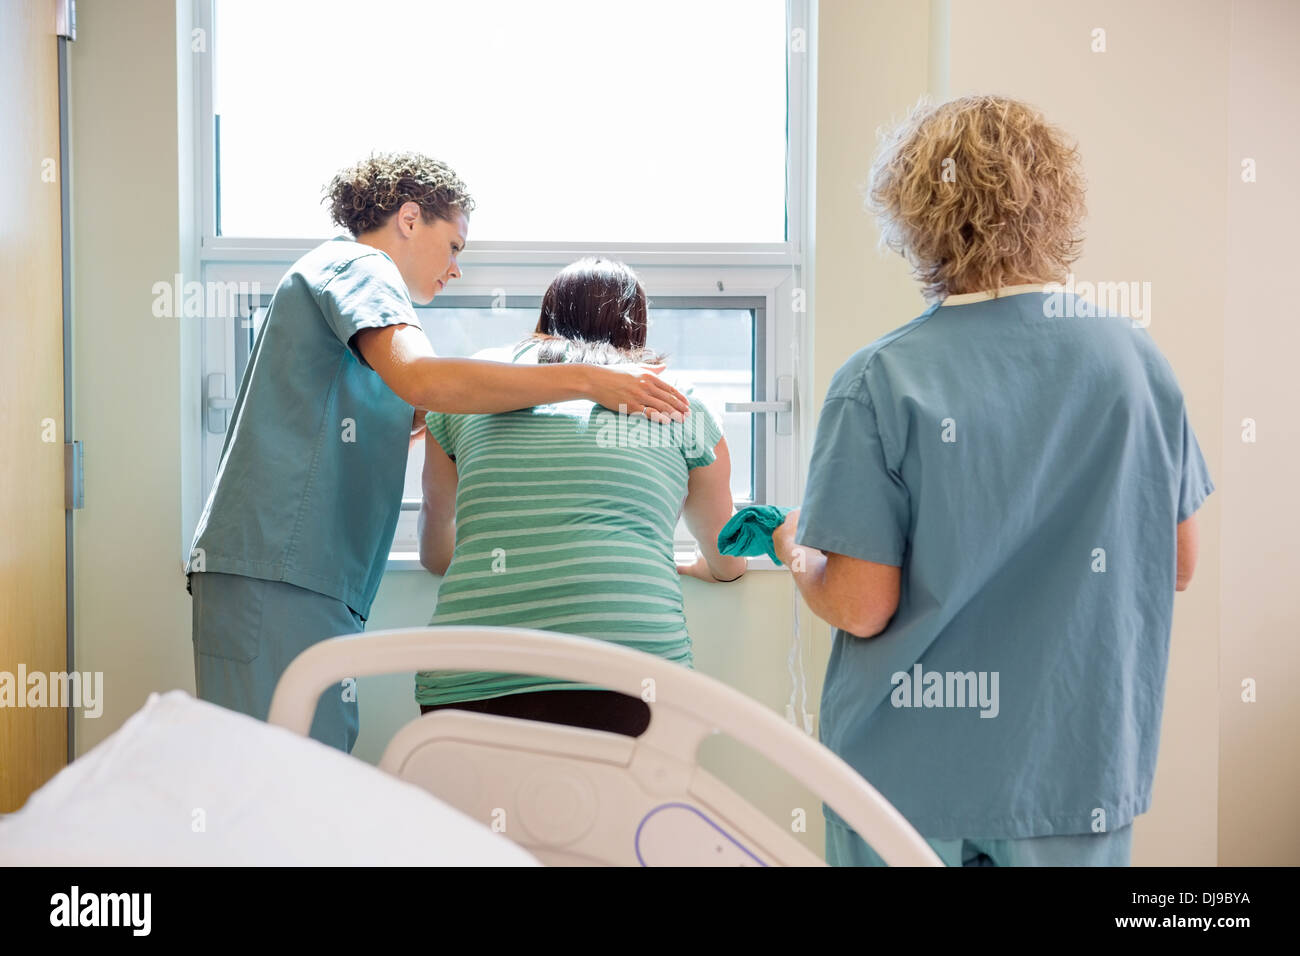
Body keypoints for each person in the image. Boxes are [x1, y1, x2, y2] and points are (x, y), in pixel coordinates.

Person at [771, 95, 1213, 866]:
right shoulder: (1135, 365)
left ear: (913, 215)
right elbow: (1177, 562)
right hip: (1076, 773)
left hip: (905, 785)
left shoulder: (880, 381)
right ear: (1055, 202)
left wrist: (797, 553)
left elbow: (862, 605)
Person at [187, 154, 690, 753]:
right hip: (280, 572)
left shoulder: (342, 292)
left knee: (300, 773)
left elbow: (367, 399)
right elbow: (422, 376)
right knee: (282, 785)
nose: (454, 269)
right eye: (453, 246)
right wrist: (587, 379)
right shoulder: (360, 265)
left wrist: (416, 415)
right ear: (408, 219)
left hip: (299, 575)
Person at [416, 257, 746, 736]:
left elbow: (435, 550)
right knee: (622, 813)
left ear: (546, 314)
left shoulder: (473, 390)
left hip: (468, 677)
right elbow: (728, 555)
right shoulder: (676, 403)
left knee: (470, 812)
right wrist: (701, 566)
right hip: (636, 675)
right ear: (635, 325)